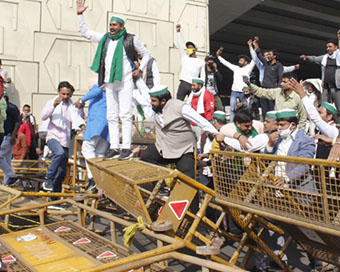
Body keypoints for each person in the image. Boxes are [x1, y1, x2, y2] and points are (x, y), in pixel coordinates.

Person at [77, 0, 150, 160]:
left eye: (115, 25)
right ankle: (115, 147)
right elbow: (86, 32)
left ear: (122, 27)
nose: (112, 27)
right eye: (110, 24)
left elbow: (146, 54)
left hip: (125, 81)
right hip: (109, 82)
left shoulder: (131, 39)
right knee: (111, 115)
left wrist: (140, 69)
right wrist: (80, 15)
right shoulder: (105, 39)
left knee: (124, 114)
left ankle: (126, 148)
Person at [140, 85, 218, 179]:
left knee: (187, 181)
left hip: (183, 149)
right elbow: (149, 120)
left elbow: (200, 120)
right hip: (164, 147)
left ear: (163, 101)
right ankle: (160, 187)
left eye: (153, 101)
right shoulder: (156, 109)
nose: (151, 103)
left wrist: (215, 133)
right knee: (146, 156)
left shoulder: (179, 106)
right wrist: (147, 131)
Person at [41, 81, 84, 207]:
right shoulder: (52, 102)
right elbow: (43, 116)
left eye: (68, 94)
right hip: (53, 136)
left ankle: (55, 200)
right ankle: (47, 180)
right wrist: (53, 106)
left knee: (62, 172)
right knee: (58, 153)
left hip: (65, 140)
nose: (65, 97)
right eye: (63, 94)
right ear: (58, 92)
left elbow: (78, 119)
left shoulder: (71, 106)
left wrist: (80, 107)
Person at [290, 78, 338, 159]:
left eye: (320, 113)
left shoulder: (333, 130)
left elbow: (316, 119)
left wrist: (302, 94)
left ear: (329, 117)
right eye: (317, 112)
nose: (317, 114)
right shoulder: (319, 130)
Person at [75, 80, 109, 191]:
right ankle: (99, 180)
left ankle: (92, 178)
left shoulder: (97, 88)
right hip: (107, 128)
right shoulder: (110, 93)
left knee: (87, 149)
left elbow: (96, 90)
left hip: (96, 125)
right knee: (99, 153)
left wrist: (82, 99)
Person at [300, 32, 340, 121]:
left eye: (330, 47)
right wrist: (307, 57)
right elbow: (315, 59)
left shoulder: (338, 57)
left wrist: (339, 38)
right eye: (327, 47)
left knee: (338, 106)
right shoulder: (325, 57)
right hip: (326, 86)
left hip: (336, 87)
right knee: (324, 106)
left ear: (336, 47)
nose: (328, 49)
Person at [216, 49, 255, 122]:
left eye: (241, 60)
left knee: (245, 109)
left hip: (244, 92)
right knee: (232, 109)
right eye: (239, 60)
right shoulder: (236, 68)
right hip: (234, 91)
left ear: (246, 62)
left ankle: (244, 122)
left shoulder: (248, 68)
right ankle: (231, 124)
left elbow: (254, 58)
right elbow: (226, 63)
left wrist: (253, 47)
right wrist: (218, 56)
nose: (239, 61)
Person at [252, 37, 284, 119]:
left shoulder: (279, 66)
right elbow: (259, 54)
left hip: (272, 89)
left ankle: (272, 125)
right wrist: (255, 44)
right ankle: (265, 124)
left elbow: (280, 78)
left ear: (274, 56)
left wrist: (279, 89)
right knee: (264, 108)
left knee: (271, 109)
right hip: (263, 88)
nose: (268, 56)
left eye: (270, 54)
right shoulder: (266, 63)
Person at [175, 24, 205, 101]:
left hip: (193, 85)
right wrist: (178, 33)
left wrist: (201, 87)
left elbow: (202, 76)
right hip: (183, 83)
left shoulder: (201, 62)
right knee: (178, 102)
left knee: (193, 104)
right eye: (188, 48)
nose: (189, 49)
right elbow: (180, 45)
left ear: (195, 49)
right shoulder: (184, 57)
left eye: (191, 48)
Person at [2, 93, 21, 186]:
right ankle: (7, 183)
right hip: (3, 136)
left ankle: (12, 176)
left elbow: (18, 122)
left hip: (8, 136)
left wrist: (13, 135)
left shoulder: (11, 108)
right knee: (6, 160)